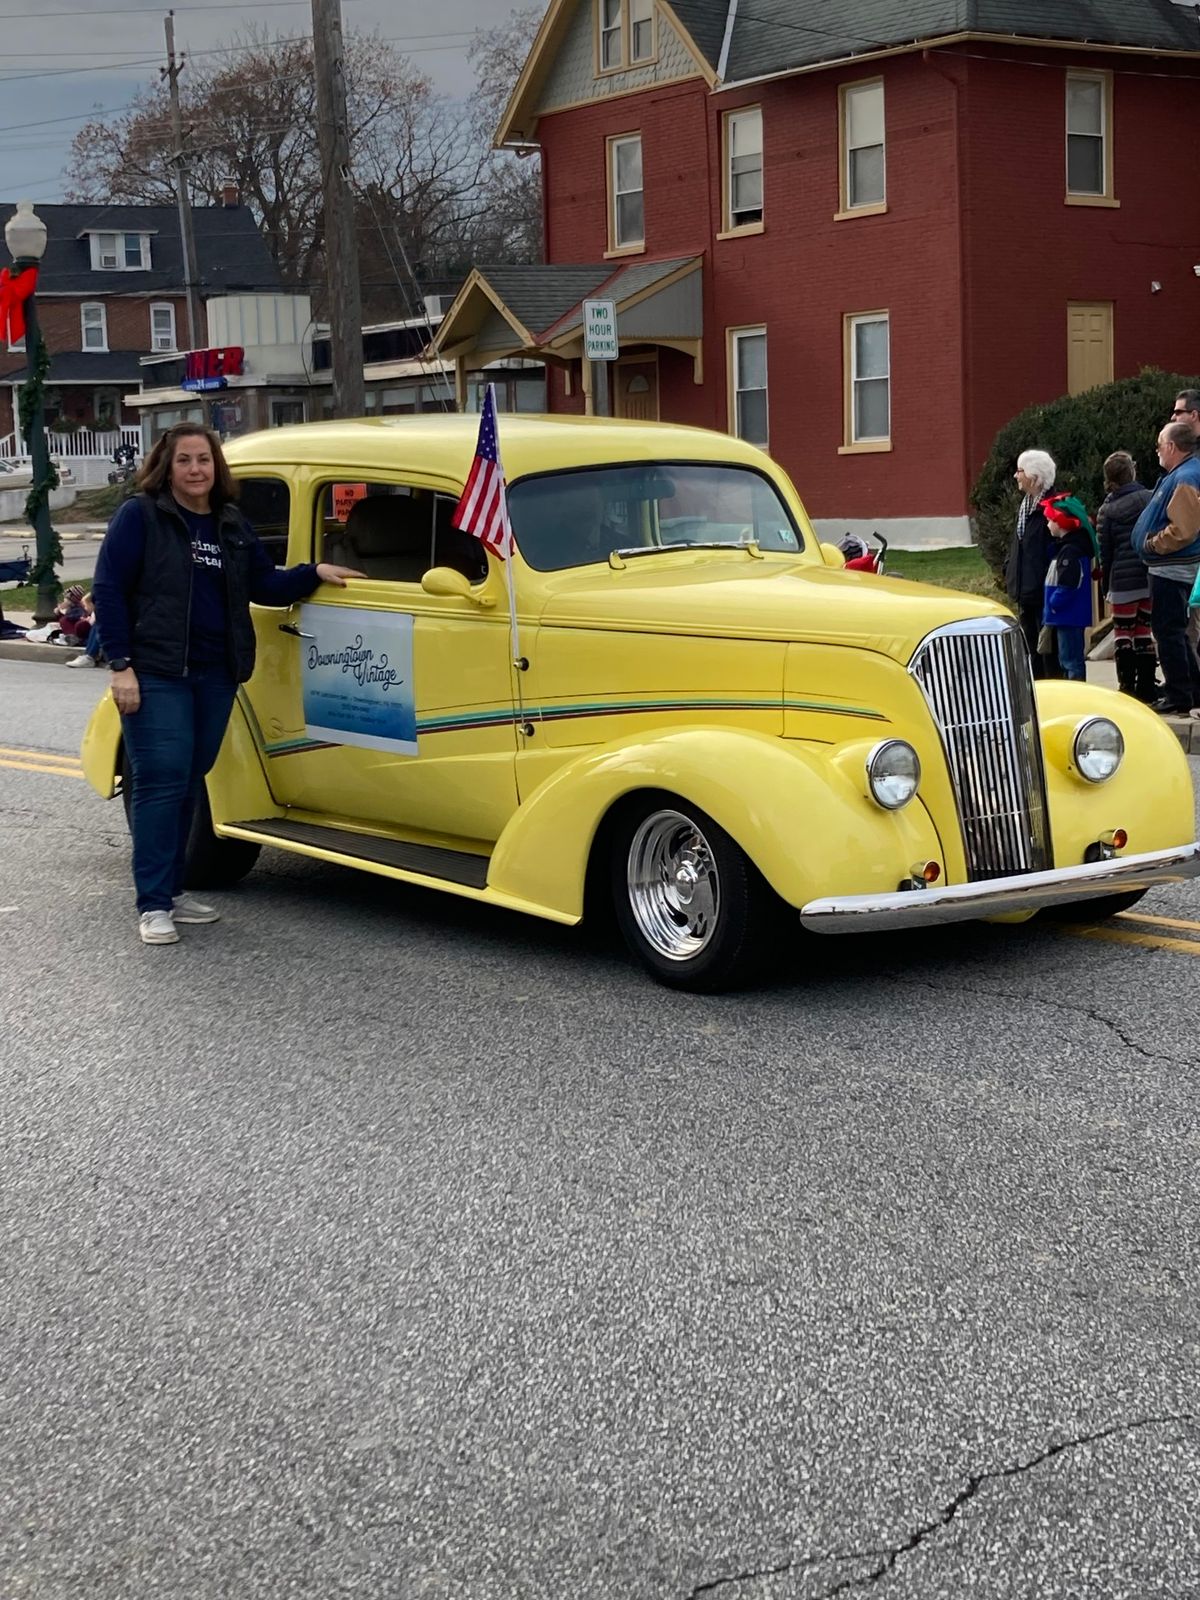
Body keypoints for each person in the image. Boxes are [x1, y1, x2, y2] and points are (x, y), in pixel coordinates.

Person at [92, 422, 363, 946]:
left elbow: (263, 584)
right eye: (185, 461)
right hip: (158, 671)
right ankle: (152, 904)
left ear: (217, 468)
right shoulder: (142, 517)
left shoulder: (231, 524)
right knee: (160, 781)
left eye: (204, 460)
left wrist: (314, 573)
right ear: (165, 468)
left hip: (216, 673)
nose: (196, 470)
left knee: (192, 776)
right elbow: (108, 587)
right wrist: (120, 664)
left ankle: (172, 891)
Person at [1131, 420, 1200, 714]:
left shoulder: (1185, 477)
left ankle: (1179, 695)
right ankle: (1189, 689)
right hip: (1171, 568)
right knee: (1175, 631)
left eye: (1160, 444)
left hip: (1172, 569)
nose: (1158, 450)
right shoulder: (1183, 473)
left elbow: (1184, 529)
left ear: (1172, 447)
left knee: (1168, 631)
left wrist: (1152, 544)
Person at [1096, 452, 1156, 701]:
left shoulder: (1107, 510)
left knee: (1123, 633)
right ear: (1132, 472)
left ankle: (1127, 687)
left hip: (1122, 580)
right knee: (1144, 631)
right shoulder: (1150, 498)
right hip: (1148, 575)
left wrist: (1105, 584)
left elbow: (1105, 552)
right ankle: (1147, 687)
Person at [1005, 449, 1059, 677]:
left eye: (1020, 471)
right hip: (1025, 591)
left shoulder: (1053, 508)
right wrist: (1009, 570)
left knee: (1047, 651)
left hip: (1043, 592)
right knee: (1030, 651)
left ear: (1035, 477)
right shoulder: (1026, 506)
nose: (1016, 476)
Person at [1041, 491, 1099, 682]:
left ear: (1061, 522)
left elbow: (1068, 583)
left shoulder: (1069, 552)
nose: (1048, 524)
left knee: (1070, 660)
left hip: (1067, 615)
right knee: (1068, 658)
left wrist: (1054, 603)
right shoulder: (1066, 548)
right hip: (1067, 615)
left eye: (1050, 520)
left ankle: (1077, 690)